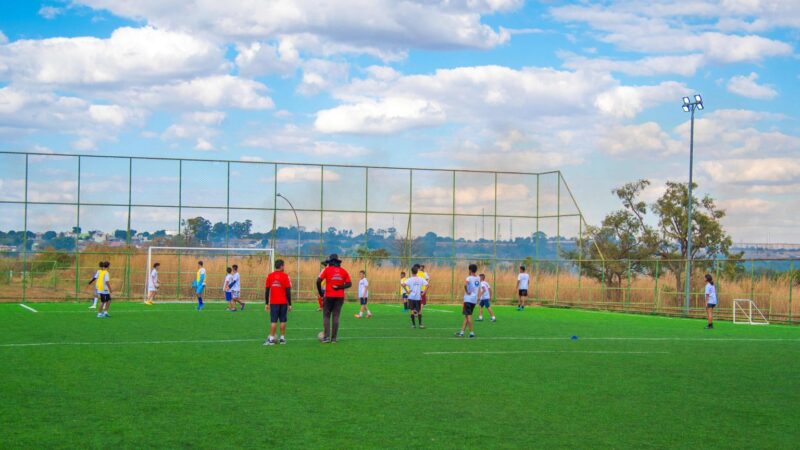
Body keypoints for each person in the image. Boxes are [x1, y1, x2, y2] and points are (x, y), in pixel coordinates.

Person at [316, 254, 352, 343]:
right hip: (340, 297)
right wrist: (339, 287)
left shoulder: (326, 270)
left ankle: (326, 337)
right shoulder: (343, 271)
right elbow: (349, 284)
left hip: (328, 296)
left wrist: (321, 293)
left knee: (326, 316)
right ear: (338, 262)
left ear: (330, 262)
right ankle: (334, 339)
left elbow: (318, 281)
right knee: (336, 316)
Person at [264, 259, 292, 345]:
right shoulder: (285, 276)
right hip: (283, 302)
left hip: (274, 302)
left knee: (273, 321)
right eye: (284, 265)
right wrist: (290, 303)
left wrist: (266, 303)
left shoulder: (270, 276)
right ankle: (282, 339)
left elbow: (267, 291)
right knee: (283, 320)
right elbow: (288, 291)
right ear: (281, 266)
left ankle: (271, 339)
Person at [456, 263, 480, 338]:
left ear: (470, 270)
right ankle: (462, 332)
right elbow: (478, 288)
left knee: (468, 316)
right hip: (474, 300)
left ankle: (471, 333)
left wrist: (467, 292)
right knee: (467, 316)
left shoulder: (468, 278)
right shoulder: (478, 278)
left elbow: (465, 285)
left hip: (468, 299)